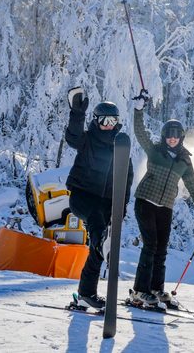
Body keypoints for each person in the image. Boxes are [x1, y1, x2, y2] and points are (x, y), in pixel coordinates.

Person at [129, 90, 194, 309]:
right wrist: (139, 110)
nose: (172, 138)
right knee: (149, 245)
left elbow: (193, 186)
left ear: (181, 137)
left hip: (165, 207)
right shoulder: (155, 150)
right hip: (145, 202)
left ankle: (157, 289)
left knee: (161, 248)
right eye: (169, 134)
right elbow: (140, 134)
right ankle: (140, 290)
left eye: (176, 135)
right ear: (164, 136)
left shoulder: (184, 161)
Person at [65, 87, 134, 310]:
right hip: (82, 196)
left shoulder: (120, 147)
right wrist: (77, 114)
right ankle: (103, 243)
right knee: (96, 224)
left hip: (107, 205)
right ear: (96, 120)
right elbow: (73, 137)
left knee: (97, 247)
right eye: (103, 120)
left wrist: (120, 210)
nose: (108, 124)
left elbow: (126, 181)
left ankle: (86, 293)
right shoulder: (87, 140)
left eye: (112, 120)